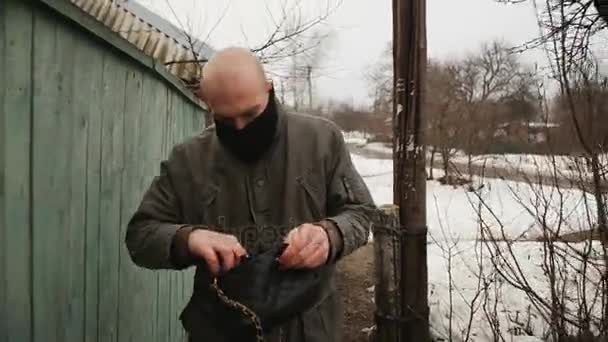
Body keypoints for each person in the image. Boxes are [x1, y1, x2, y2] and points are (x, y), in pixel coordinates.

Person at [125, 47, 376, 341]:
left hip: (311, 328)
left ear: (269, 89)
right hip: (222, 329)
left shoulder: (322, 140)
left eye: (251, 114)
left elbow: (360, 212)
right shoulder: (187, 160)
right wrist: (189, 238)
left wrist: (329, 234)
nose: (242, 128)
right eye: (227, 120)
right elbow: (140, 236)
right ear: (209, 106)